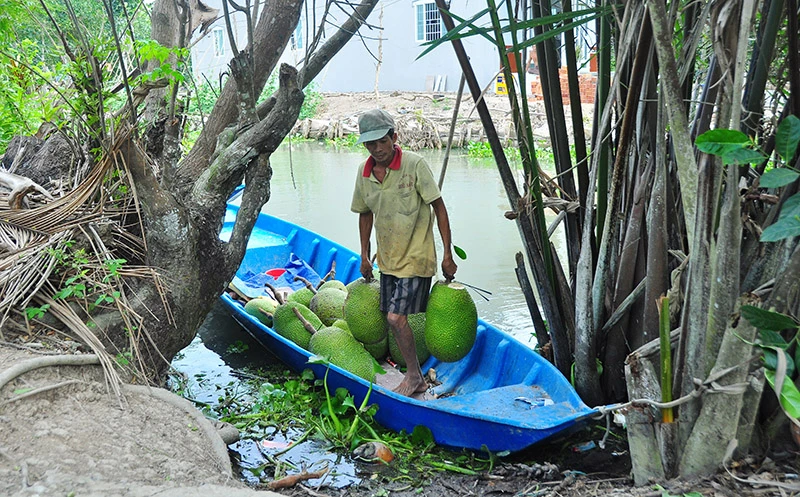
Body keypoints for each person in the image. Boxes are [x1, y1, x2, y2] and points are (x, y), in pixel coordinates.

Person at [350, 109, 458, 397]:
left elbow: (439, 206)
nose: (376, 149)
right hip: (388, 260)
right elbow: (364, 215)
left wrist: (447, 254)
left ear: (394, 137)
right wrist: (364, 254)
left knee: (396, 319)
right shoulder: (364, 173)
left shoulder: (414, 165)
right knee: (391, 316)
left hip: (417, 257)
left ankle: (415, 377)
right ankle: (413, 372)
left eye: (381, 142)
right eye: (370, 144)